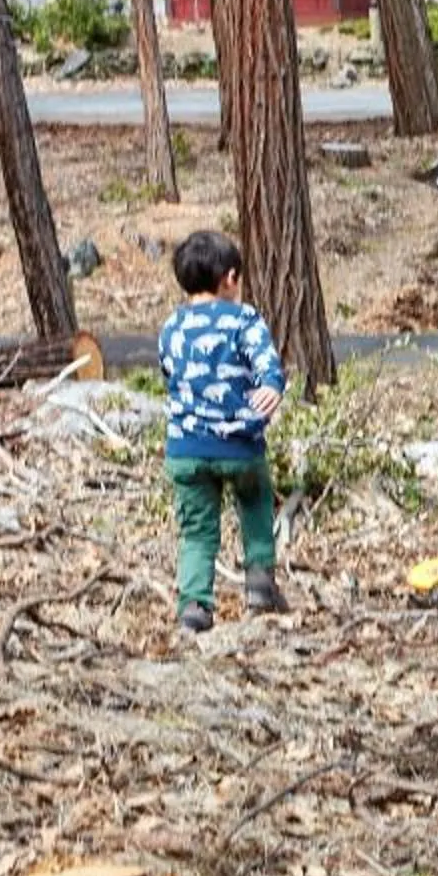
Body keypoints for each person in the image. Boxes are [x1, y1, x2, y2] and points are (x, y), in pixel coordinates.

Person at [159, 230, 289, 634]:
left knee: (197, 530)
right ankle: (260, 581)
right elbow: (267, 363)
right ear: (230, 278)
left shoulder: (172, 327)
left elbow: (168, 376)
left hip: (185, 448)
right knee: (254, 501)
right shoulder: (242, 318)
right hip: (239, 446)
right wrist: (271, 385)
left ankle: (195, 605)